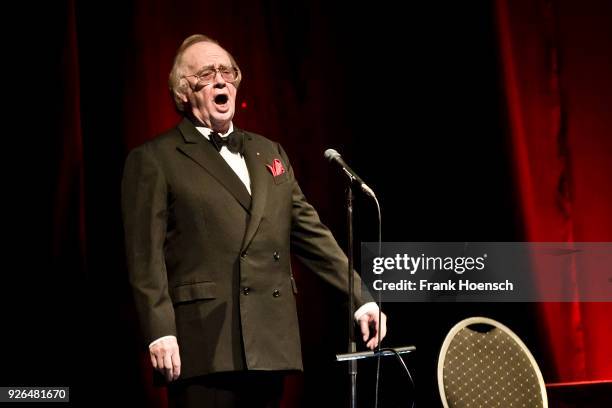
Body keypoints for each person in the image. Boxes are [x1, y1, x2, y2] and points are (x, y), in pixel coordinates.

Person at [121, 34, 387, 408]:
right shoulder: (155, 159)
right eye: (206, 73)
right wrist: (159, 330)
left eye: (227, 71)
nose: (220, 80)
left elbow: (311, 234)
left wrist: (360, 298)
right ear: (183, 92)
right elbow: (144, 259)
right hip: (204, 344)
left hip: (267, 341)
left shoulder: (269, 151)